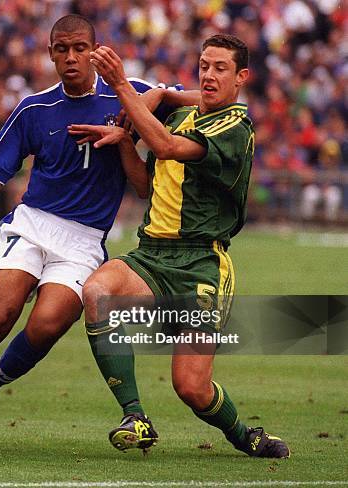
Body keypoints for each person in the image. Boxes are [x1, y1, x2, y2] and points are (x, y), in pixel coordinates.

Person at [0, 14, 198, 451]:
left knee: (46, 324)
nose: (71, 57)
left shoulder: (130, 92)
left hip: (83, 239)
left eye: (80, 48)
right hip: (32, 224)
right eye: (61, 49)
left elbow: (209, 101)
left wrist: (158, 96)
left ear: (96, 50)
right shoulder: (34, 109)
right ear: (50, 54)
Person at [69, 34, 290, 458]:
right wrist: (123, 141)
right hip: (151, 256)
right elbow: (143, 186)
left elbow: (167, 146)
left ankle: (244, 435)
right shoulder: (181, 114)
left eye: (220, 68)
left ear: (242, 77)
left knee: (191, 388)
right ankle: (135, 416)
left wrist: (122, 87)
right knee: (97, 291)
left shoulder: (235, 128)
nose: (209, 74)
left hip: (202, 265)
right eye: (204, 65)